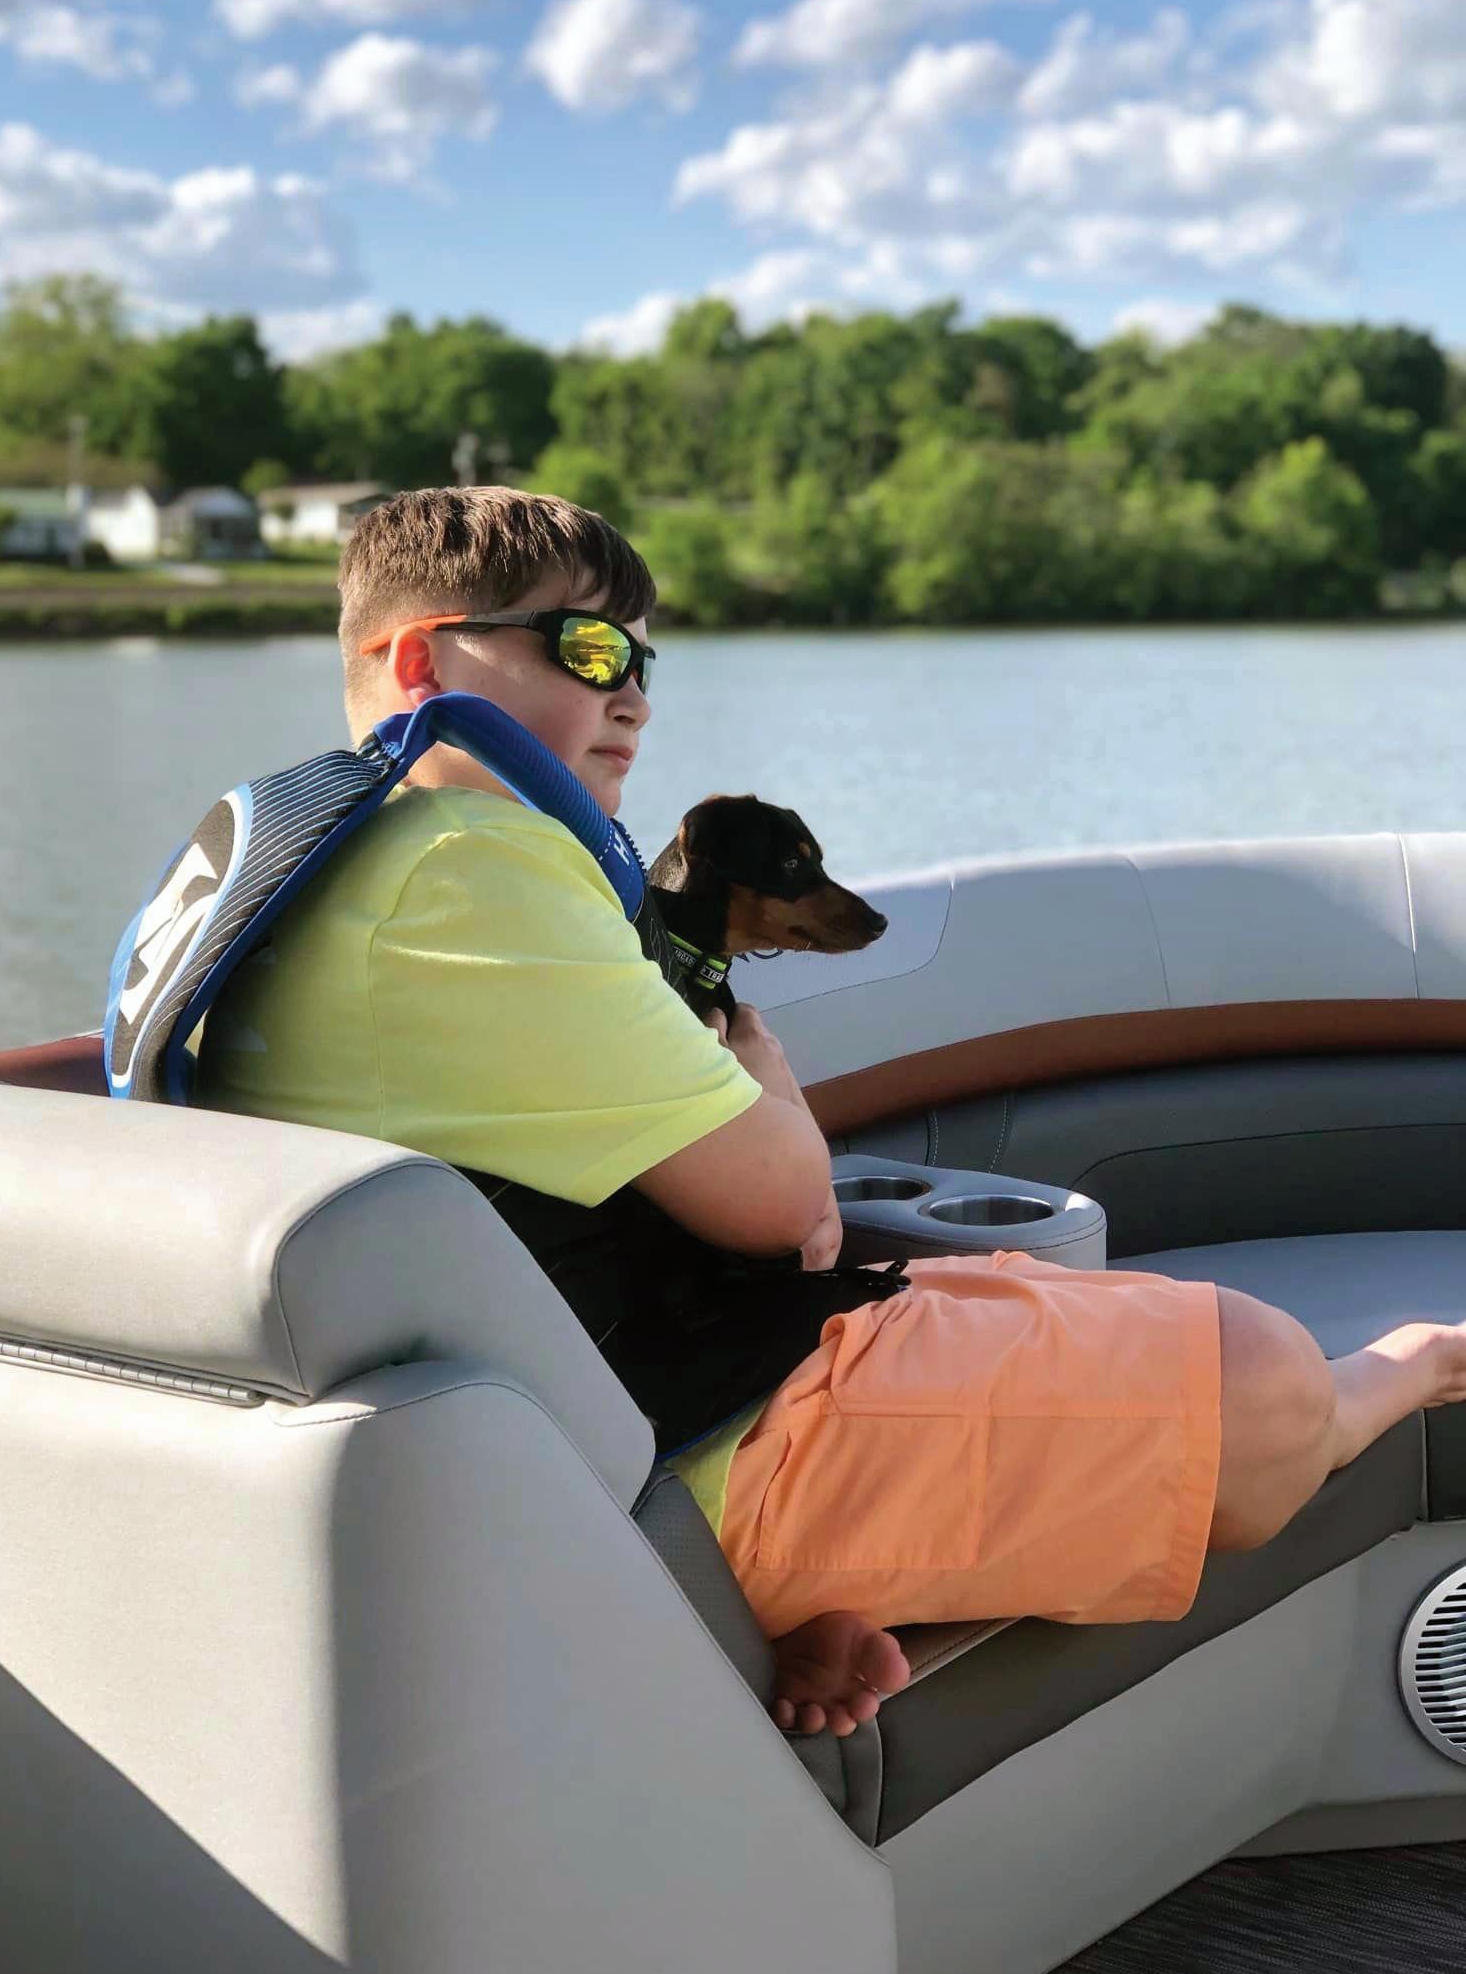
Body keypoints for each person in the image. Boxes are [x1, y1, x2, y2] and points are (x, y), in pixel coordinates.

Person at [199, 485, 1466, 1740]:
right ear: (421, 660)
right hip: (686, 1456)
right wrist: (764, 1073)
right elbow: (786, 1204)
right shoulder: (477, 863)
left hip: (566, 1410)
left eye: (642, 658)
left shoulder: (308, 859)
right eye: (584, 649)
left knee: (1050, 1296)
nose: (632, 695)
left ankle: (814, 1595)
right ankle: (1388, 1379)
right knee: (1263, 1379)